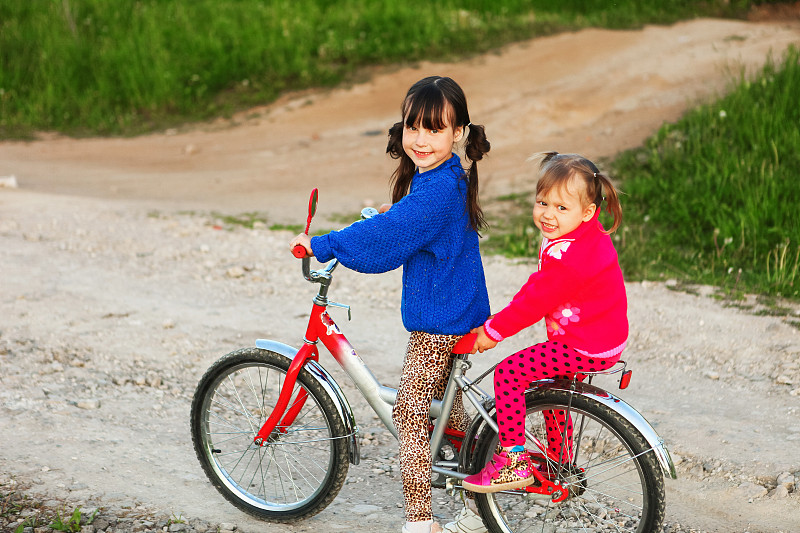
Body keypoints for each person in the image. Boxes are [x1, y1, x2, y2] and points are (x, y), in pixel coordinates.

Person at [290, 76, 491, 533]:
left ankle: (421, 520)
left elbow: (391, 237)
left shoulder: (436, 191)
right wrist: (391, 212)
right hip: (459, 309)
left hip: (442, 319)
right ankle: (473, 504)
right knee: (449, 411)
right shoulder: (447, 176)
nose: (420, 140)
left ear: (457, 132)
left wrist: (321, 244)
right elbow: (410, 220)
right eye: (412, 128)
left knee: (411, 408)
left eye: (434, 130)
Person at [462, 152, 628, 494]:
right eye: (542, 202)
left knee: (508, 375)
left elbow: (537, 302)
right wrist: (503, 315)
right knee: (553, 390)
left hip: (582, 344)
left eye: (561, 208)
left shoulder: (570, 259)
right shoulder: (584, 235)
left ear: (588, 212)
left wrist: (493, 331)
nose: (548, 215)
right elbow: (540, 284)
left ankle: (512, 462)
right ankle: (559, 462)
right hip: (601, 337)